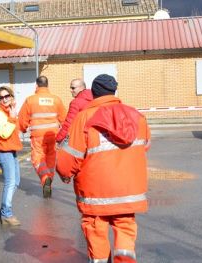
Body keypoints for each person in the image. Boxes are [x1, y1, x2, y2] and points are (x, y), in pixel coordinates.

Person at [56, 74, 150, 263]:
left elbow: (70, 157)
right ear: (114, 91)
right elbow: (145, 145)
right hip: (128, 192)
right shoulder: (137, 117)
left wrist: (64, 174)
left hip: (95, 194)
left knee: (96, 230)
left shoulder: (84, 118)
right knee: (125, 231)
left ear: (94, 93)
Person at [17, 76, 66, 198]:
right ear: (47, 85)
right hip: (53, 134)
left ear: (36, 86)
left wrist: (23, 129)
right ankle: (49, 179)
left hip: (38, 135)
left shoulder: (30, 100)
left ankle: (45, 178)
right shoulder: (56, 100)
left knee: (37, 157)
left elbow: (22, 119)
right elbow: (64, 119)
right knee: (50, 159)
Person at [0, 86, 23, 226]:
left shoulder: (9, 111)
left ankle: (5, 211)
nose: (4, 99)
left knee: (15, 182)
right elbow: (4, 133)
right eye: (1, 97)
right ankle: (6, 214)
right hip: (3, 150)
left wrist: (13, 115)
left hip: (10, 149)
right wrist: (12, 118)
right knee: (10, 182)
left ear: (12, 96)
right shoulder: (1, 114)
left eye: (7, 96)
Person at [56, 78, 93, 143]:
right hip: (93, 138)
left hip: (80, 140)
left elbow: (68, 124)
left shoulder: (76, 102)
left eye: (73, 88)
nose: (71, 90)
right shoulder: (94, 100)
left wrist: (59, 138)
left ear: (81, 88)